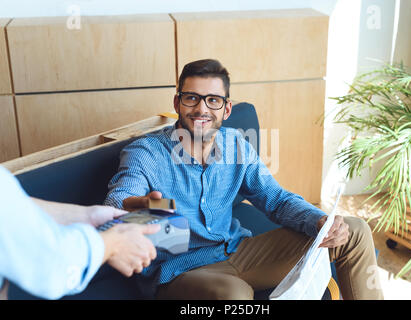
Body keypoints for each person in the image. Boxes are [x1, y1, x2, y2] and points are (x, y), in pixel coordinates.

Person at [104, 59, 384, 300]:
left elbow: (276, 199)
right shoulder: (146, 152)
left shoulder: (236, 145)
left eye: (213, 100)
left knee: (354, 230)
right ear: (178, 102)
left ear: (226, 110)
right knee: (235, 293)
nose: (202, 109)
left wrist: (319, 221)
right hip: (180, 269)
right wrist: (139, 205)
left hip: (238, 251)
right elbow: (117, 200)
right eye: (192, 98)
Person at [0, 165, 160, 300]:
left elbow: (13, 206)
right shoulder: (146, 152)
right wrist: (113, 243)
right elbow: (53, 265)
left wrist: (86, 215)